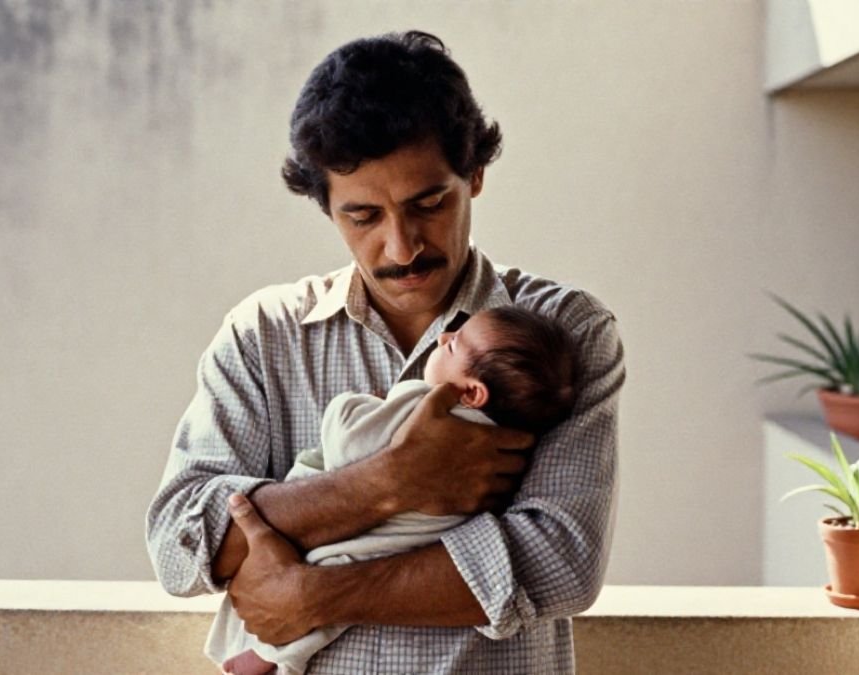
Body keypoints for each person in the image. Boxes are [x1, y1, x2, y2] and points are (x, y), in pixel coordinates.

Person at [146, 30, 625, 674]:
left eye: (428, 204)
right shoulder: (262, 334)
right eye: (364, 217)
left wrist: (314, 594)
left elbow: (561, 562)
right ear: (326, 208)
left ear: (475, 175)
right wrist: (391, 482)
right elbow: (181, 547)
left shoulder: (565, 331)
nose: (402, 248)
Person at [210, 306, 582, 675]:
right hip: (423, 540)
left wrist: (357, 403)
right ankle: (271, 658)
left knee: (318, 570)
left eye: (454, 346)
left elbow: (348, 443)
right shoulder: (506, 434)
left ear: (471, 392)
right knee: (329, 583)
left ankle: (269, 656)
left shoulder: (426, 405)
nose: (443, 337)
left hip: (388, 535)